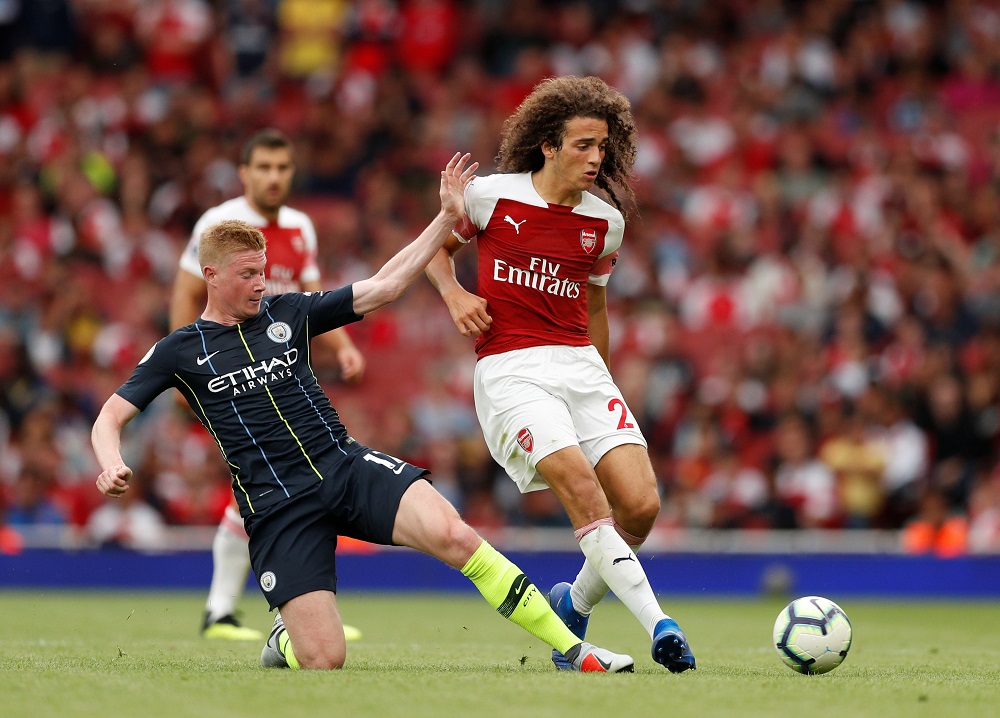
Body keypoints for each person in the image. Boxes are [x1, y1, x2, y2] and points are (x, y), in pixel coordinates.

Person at [92, 153, 634, 673]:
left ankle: (573, 650)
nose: (261, 283)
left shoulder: (287, 310)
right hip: (278, 506)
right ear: (209, 274)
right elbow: (109, 417)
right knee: (325, 659)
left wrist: (445, 217)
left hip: (345, 467)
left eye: (262, 271)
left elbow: (385, 286)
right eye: (245, 274)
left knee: (457, 536)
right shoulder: (179, 350)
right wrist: (110, 462)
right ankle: (288, 638)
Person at [425, 76, 696, 673]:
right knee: (582, 489)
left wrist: (601, 376)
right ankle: (660, 625)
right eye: (582, 145)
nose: (596, 158)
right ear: (548, 145)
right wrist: (455, 296)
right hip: (512, 368)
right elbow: (434, 252)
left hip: (581, 366)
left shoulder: (605, 224)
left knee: (642, 506)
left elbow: (594, 305)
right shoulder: (490, 197)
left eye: (602, 146)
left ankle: (572, 605)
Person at [170, 128, 366, 642]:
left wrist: (343, 348)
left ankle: (266, 611)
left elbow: (309, 298)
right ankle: (257, 611)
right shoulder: (220, 224)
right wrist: (182, 372)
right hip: (231, 380)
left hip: (281, 381)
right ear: (245, 173)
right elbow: (187, 292)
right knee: (272, 489)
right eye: (264, 167)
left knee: (277, 490)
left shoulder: (301, 228)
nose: (274, 177)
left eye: (282, 167)